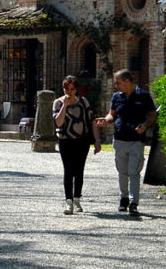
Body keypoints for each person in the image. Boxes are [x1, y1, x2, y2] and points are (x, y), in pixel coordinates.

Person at [96, 69, 157, 216]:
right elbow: (112, 114)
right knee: (122, 172)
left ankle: (133, 203)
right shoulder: (117, 97)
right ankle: (123, 199)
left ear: (127, 81)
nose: (116, 85)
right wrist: (106, 120)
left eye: (118, 82)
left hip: (136, 140)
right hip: (119, 139)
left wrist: (145, 125)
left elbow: (152, 115)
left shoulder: (144, 96)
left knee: (134, 173)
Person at [52, 75, 100, 215]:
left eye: (72, 89)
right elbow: (58, 122)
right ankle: (68, 202)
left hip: (82, 140)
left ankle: (77, 199)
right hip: (65, 140)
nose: (69, 92)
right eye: (66, 88)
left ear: (76, 89)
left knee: (79, 170)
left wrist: (97, 140)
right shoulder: (58, 103)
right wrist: (65, 105)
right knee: (68, 170)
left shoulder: (84, 102)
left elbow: (92, 122)